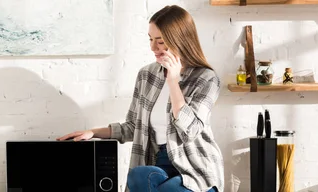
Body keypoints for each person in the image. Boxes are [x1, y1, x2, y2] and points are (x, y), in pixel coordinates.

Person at [57, 5, 223, 192]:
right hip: (158, 161)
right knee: (138, 175)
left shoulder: (207, 79)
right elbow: (133, 127)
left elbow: (189, 131)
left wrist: (173, 82)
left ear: (179, 40)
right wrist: (93, 132)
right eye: (151, 39)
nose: (153, 47)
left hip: (194, 167)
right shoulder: (147, 75)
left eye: (160, 41)